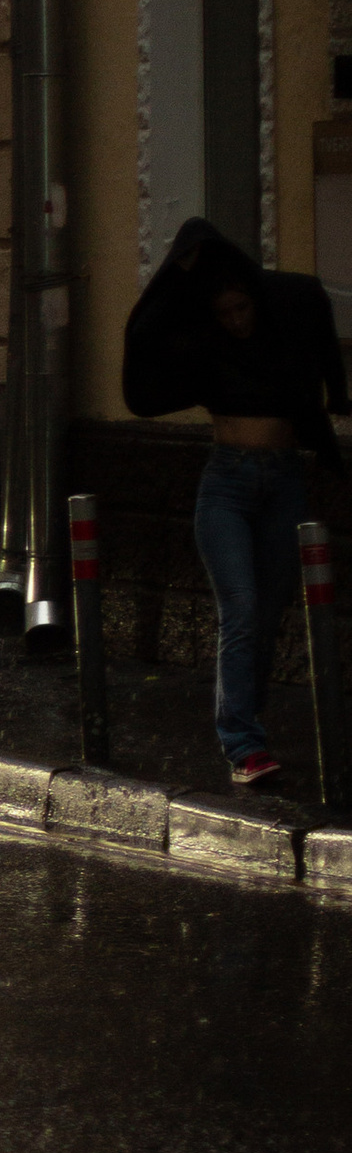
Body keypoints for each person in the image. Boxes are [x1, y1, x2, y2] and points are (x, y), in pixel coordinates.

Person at [123, 215, 348, 787]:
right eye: (224, 314)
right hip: (225, 485)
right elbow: (146, 329)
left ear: (254, 301)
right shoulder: (206, 351)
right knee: (241, 610)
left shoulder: (282, 332)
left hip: (283, 481)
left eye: (242, 309)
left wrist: (339, 397)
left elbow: (317, 322)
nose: (236, 321)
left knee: (268, 612)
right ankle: (242, 743)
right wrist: (184, 264)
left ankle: (249, 718)